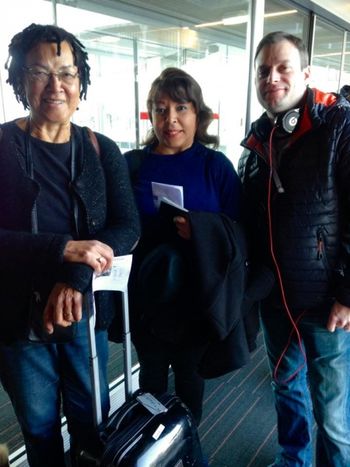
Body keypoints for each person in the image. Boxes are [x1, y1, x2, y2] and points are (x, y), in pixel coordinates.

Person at [0, 23, 140, 467]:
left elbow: (127, 226)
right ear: (20, 80)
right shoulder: (1, 147)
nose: (55, 86)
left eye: (67, 73)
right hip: (18, 323)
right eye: (40, 72)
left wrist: (76, 276)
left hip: (85, 316)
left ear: (81, 81)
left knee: (92, 423)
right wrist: (62, 249)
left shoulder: (101, 150)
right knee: (39, 428)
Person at [239, 31, 350, 466]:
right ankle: (294, 460)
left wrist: (347, 294)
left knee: (332, 409)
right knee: (285, 386)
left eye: (283, 67)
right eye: (263, 70)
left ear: (305, 73)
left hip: (327, 301)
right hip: (276, 299)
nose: (272, 78)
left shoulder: (338, 126)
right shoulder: (256, 143)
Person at [124, 67, 248, 427]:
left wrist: (202, 230)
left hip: (196, 300)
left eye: (181, 108)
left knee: (190, 388)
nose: (171, 119)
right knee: (150, 385)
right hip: (149, 298)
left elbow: (239, 234)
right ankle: (150, 450)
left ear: (198, 114)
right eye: (160, 109)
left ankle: (185, 451)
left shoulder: (215, 167)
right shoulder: (134, 165)